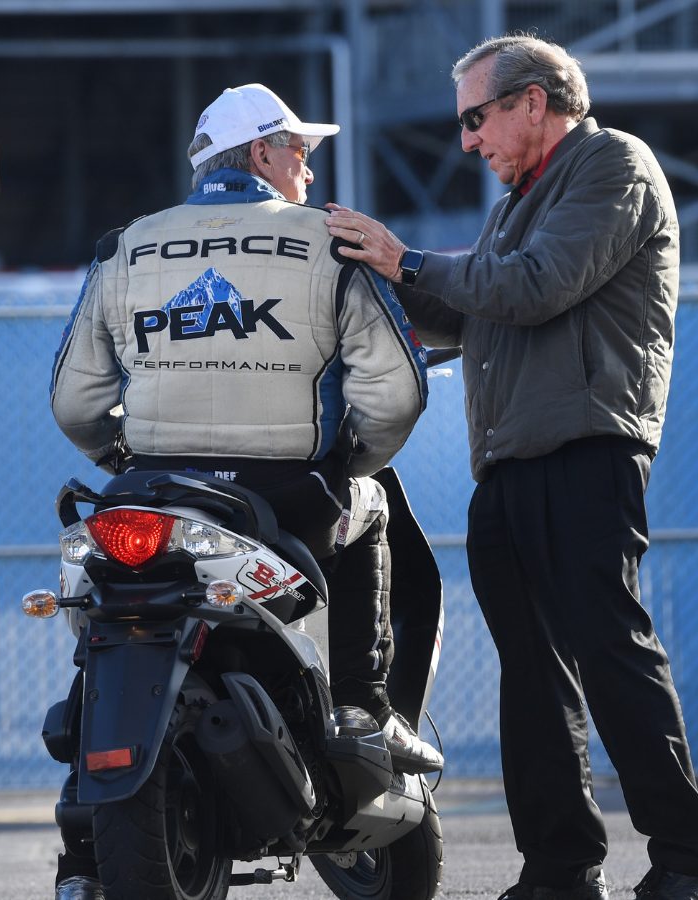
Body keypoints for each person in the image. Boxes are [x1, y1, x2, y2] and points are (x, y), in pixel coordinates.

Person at [324, 35, 698, 900]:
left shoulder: (612, 164)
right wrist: (372, 286)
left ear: (534, 102)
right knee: (534, 675)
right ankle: (558, 869)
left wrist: (406, 259)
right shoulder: (520, 201)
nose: (469, 142)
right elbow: (476, 307)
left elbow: (534, 286)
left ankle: (692, 864)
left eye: (478, 118)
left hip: (587, 452)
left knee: (609, 651)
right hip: (511, 466)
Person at [49, 83, 441, 900]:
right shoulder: (327, 243)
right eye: (299, 149)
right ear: (261, 155)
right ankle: (364, 708)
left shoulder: (128, 246)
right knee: (372, 510)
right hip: (288, 493)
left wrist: (124, 452)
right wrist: (350, 459)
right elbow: (397, 394)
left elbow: (74, 402)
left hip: (151, 491)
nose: (307, 165)